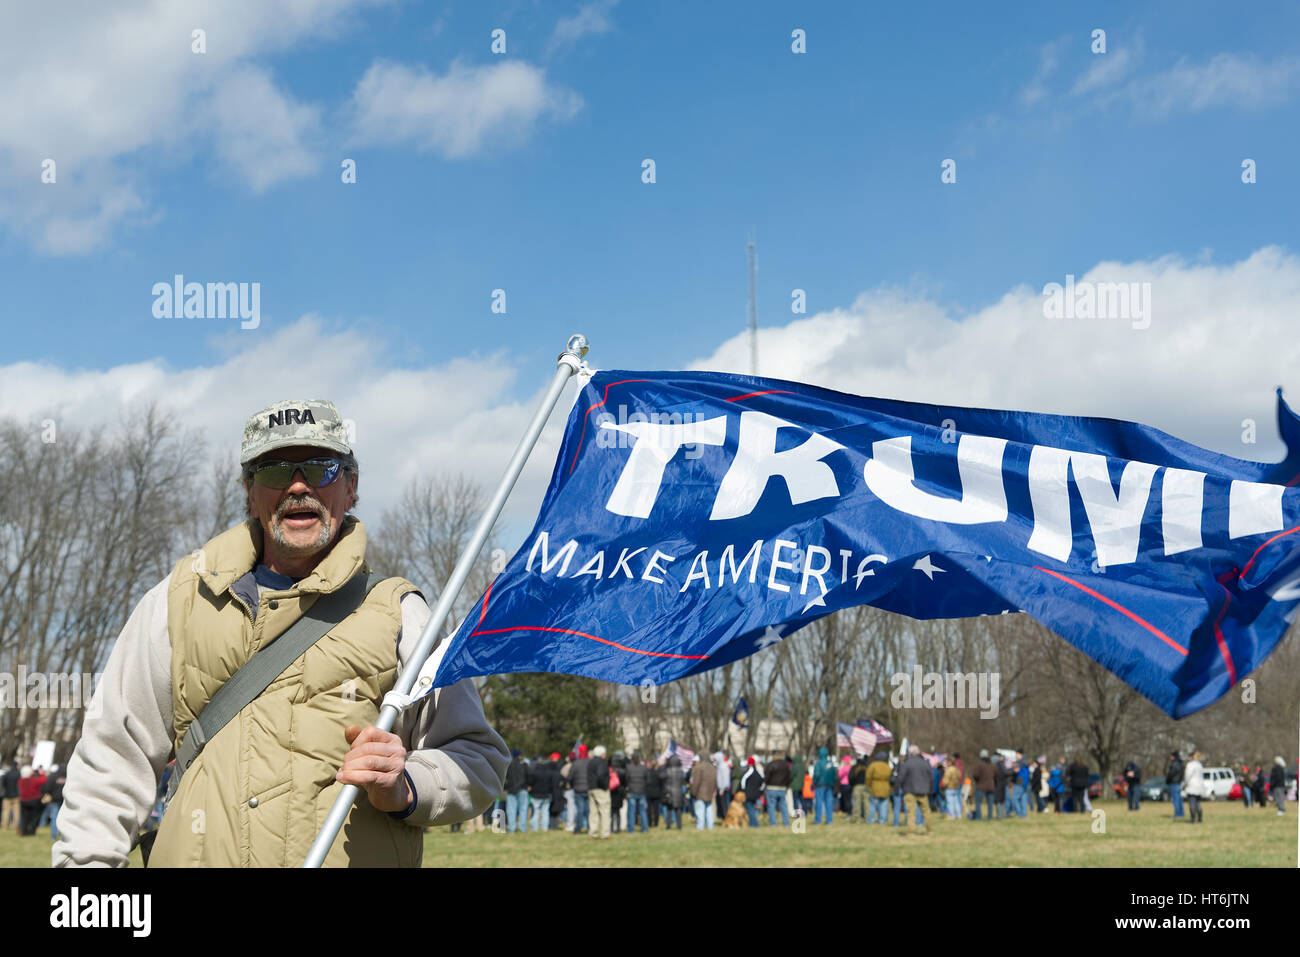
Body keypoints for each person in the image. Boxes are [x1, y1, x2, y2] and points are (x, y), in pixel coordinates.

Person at [53, 400, 509, 867]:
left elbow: (479, 756)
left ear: (350, 488)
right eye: (274, 471)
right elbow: (111, 758)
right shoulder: (178, 599)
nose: (298, 486)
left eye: (321, 469)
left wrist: (407, 785)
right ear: (250, 494)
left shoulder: (401, 612)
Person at [897, 746, 932, 835]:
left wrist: (896, 788)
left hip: (909, 791)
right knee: (926, 812)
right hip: (923, 791)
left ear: (910, 753)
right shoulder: (924, 763)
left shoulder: (907, 763)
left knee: (911, 812)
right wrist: (930, 790)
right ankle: (929, 831)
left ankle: (911, 832)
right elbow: (931, 777)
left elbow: (901, 777)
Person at [528, 753, 557, 832]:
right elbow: (551, 784)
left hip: (536, 794)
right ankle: (545, 828)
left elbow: (531, 783)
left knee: (536, 812)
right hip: (546, 795)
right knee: (545, 812)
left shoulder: (534, 772)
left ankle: (535, 828)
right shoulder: (549, 772)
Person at [588, 745, 611, 839]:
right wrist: (605, 786)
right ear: (602, 754)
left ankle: (593, 832)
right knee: (605, 811)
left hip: (591, 788)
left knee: (593, 812)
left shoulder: (590, 762)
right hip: (600, 789)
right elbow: (601, 775)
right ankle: (605, 833)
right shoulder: (602, 763)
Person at [689, 752, 717, 830]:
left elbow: (696, 782)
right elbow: (715, 781)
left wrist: (693, 792)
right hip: (710, 792)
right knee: (709, 810)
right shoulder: (712, 767)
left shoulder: (699, 768)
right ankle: (710, 826)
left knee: (699, 810)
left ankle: (700, 827)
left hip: (700, 792)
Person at [504, 750, 530, 833]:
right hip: (522, 789)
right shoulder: (524, 765)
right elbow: (529, 776)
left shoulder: (508, 765)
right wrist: (528, 785)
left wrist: (505, 788)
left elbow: (505, 778)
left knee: (511, 810)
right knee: (523, 809)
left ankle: (512, 828)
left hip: (511, 790)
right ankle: (522, 828)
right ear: (520, 755)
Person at [763, 752, 791, 826]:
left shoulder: (771, 764)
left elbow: (766, 777)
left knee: (771, 806)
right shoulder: (786, 765)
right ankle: (786, 823)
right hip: (782, 788)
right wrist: (786, 786)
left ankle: (773, 823)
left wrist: (765, 785)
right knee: (783, 806)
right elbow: (789, 777)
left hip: (771, 788)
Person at [19, 765, 48, 836]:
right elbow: (43, 780)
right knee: (34, 817)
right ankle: (32, 832)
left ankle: (24, 831)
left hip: (23, 800)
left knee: (25, 817)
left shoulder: (20, 781)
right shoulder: (33, 780)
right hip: (34, 800)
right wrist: (42, 773)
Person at [569, 744, 591, 833]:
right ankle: (590, 827)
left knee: (580, 810)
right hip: (588, 788)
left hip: (578, 789)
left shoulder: (576, 763)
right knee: (588, 810)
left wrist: (572, 784)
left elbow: (570, 776)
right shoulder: (589, 762)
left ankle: (578, 827)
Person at [865, 751, 891, 824]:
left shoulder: (873, 765)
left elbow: (868, 777)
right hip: (885, 787)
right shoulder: (887, 766)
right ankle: (882, 820)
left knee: (873, 804)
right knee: (883, 805)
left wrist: (868, 785)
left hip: (875, 787)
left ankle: (871, 819)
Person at [41, 764, 67, 840]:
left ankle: (54, 836)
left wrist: (49, 793)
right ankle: (63, 837)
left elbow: (47, 787)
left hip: (54, 800)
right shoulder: (69, 775)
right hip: (64, 800)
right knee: (64, 819)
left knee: (54, 818)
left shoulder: (53, 776)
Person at [812, 746, 836, 825]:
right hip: (829, 786)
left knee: (819, 803)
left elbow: (816, 774)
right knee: (829, 803)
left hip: (820, 786)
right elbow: (834, 775)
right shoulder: (831, 764)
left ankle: (818, 820)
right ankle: (829, 820)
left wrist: (814, 782)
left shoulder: (818, 764)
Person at [740, 756, 765, 827]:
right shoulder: (759, 772)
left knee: (750, 809)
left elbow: (743, 782)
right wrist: (760, 791)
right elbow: (763, 783)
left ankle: (754, 824)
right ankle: (753, 823)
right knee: (753, 809)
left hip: (749, 794)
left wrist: (743, 790)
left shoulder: (748, 771)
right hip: (756, 794)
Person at [972, 750, 996, 820]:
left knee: (978, 802)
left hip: (981, 786)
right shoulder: (992, 764)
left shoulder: (980, 765)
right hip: (991, 786)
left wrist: (977, 780)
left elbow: (975, 775)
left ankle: (979, 817)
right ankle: (990, 817)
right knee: (990, 803)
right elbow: (996, 774)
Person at [662, 755, 685, 829]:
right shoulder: (681, 771)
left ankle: (668, 825)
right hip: (678, 791)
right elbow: (682, 781)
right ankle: (679, 825)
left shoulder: (667, 770)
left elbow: (662, 777)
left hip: (669, 791)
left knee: (669, 809)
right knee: (678, 810)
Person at [1182, 751, 1205, 823]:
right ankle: (1200, 817)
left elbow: (1187, 776)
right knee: (1198, 802)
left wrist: (1184, 784)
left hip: (1192, 786)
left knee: (1192, 802)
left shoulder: (1190, 765)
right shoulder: (1200, 765)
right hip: (1199, 787)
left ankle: (1193, 819)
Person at [848, 753, 870, 822]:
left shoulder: (855, 767)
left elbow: (850, 777)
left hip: (857, 786)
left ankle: (857, 818)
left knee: (857, 802)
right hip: (866, 786)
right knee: (866, 802)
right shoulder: (868, 766)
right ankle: (867, 817)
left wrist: (852, 784)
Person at [1165, 751, 1185, 819]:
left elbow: (1171, 774)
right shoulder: (1180, 763)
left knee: (1175, 799)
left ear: (1174, 756)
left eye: (1171, 756)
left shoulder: (1175, 764)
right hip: (1178, 783)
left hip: (1174, 783)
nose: (1170, 757)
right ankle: (1181, 813)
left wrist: (1167, 780)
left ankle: (1177, 814)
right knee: (1179, 799)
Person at [645, 757, 663, 828]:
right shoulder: (658, 773)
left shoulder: (647, 773)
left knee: (649, 809)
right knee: (656, 809)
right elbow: (661, 783)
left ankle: (649, 822)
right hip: (656, 792)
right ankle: (655, 823)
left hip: (649, 792)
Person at [1, 761, 18, 831]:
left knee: (5, 812)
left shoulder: (6, 774)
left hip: (7, 796)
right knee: (16, 812)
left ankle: (4, 826)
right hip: (16, 796)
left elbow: (3, 785)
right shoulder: (18, 774)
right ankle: (15, 826)